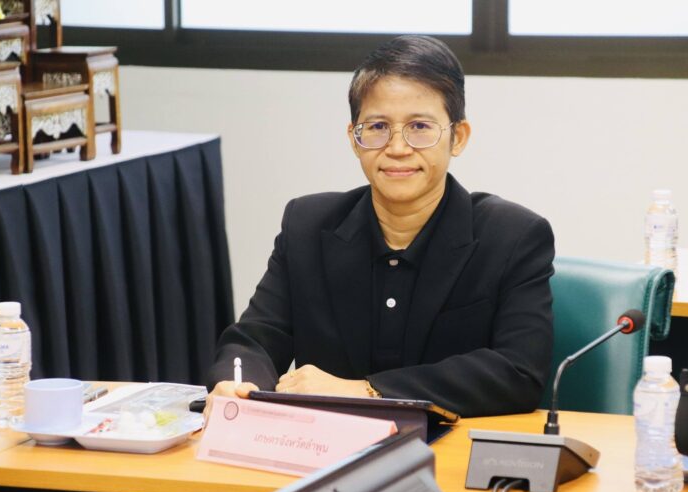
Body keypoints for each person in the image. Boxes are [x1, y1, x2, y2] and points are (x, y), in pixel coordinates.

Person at [206, 35, 555, 417]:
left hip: (452, 445)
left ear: (457, 137)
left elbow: (518, 371)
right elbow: (252, 341)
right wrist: (239, 384)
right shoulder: (307, 226)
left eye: (419, 126)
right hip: (328, 445)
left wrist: (367, 391)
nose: (397, 148)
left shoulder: (513, 236)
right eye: (377, 127)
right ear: (354, 139)